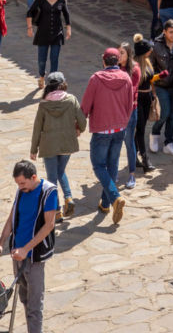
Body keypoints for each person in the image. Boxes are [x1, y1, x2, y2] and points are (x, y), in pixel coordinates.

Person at [0, 159, 58, 333]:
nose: (20, 187)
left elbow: (49, 225)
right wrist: (1, 242)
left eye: (23, 183)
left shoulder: (49, 192)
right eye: (18, 183)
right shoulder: (21, 191)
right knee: (24, 297)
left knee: (34, 304)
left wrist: (26, 249)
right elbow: (11, 218)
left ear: (33, 177)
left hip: (34, 256)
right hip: (17, 253)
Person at [80, 48, 134, 225]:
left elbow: (86, 104)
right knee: (112, 164)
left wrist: (79, 124)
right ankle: (105, 204)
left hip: (102, 130)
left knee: (98, 166)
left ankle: (115, 197)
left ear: (104, 62)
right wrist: (124, 122)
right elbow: (129, 104)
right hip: (119, 129)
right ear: (117, 62)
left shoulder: (96, 79)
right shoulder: (126, 78)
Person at [29, 71, 86, 220]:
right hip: (67, 143)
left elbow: (37, 128)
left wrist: (33, 149)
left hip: (49, 146)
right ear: (63, 84)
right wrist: (79, 129)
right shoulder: (71, 100)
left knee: (52, 178)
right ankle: (68, 198)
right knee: (60, 171)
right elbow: (83, 121)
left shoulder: (43, 105)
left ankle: (57, 211)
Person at [150, 18, 173, 156]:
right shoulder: (156, 46)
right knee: (164, 113)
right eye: (171, 32)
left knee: (172, 115)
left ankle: (168, 143)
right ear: (165, 32)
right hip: (162, 86)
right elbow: (151, 67)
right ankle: (154, 134)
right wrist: (158, 77)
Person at [26, 0, 71, 89]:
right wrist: (29, 28)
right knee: (42, 60)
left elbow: (66, 14)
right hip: (42, 33)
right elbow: (29, 12)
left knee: (54, 59)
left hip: (57, 33)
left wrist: (68, 28)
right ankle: (42, 76)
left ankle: (52, 84)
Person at [117, 42, 141, 190]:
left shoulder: (135, 69)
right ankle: (114, 172)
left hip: (130, 111)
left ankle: (132, 173)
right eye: (118, 52)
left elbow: (130, 90)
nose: (119, 56)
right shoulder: (116, 67)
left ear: (128, 54)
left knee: (129, 142)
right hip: (116, 111)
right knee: (115, 142)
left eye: (122, 53)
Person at [132, 35, 155, 173]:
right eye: (149, 49)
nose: (151, 50)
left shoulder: (147, 62)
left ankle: (134, 157)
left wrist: (153, 96)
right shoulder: (135, 66)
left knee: (142, 128)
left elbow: (150, 80)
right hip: (138, 99)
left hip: (147, 97)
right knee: (140, 130)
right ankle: (145, 160)